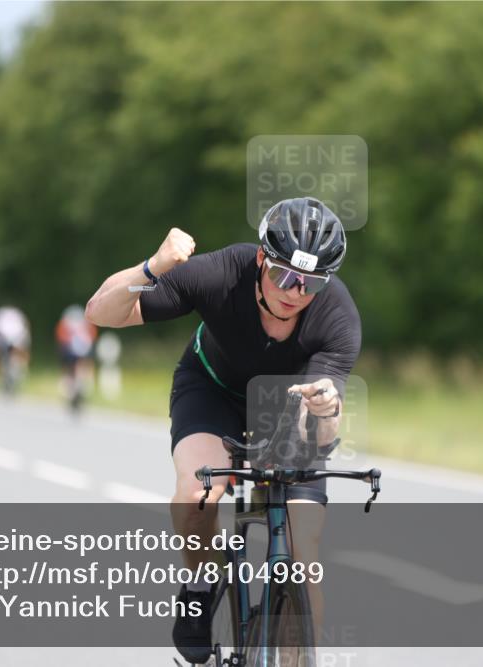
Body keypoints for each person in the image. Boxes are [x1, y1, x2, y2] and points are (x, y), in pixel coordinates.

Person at [85, 197, 360, 663]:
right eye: (284, 276)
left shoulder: (337, 316)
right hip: (212, 390)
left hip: (288, 409)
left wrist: (327, 407)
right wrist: (152, 267)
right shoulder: (221, 274)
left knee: (304, 548)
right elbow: (100, 313)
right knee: (198, 494)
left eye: (311, 282)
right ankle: (201, 583)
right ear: (261, 258)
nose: (295, 291)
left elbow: (321, 435)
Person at [55, 304, 98, 411]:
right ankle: (81, 386)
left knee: (69, 368)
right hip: (82, 348)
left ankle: (72, 387)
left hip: (70, 349)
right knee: (84, 366)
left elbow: (60, 336)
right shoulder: (86, 322)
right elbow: (92, 335)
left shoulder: (66, 322)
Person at [0, 305, 31, 395]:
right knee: (16, 355)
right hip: (14, 337)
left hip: (9, 337)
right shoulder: (16, 315)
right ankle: (20, 370)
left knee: (2, 355)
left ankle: (11, 372)